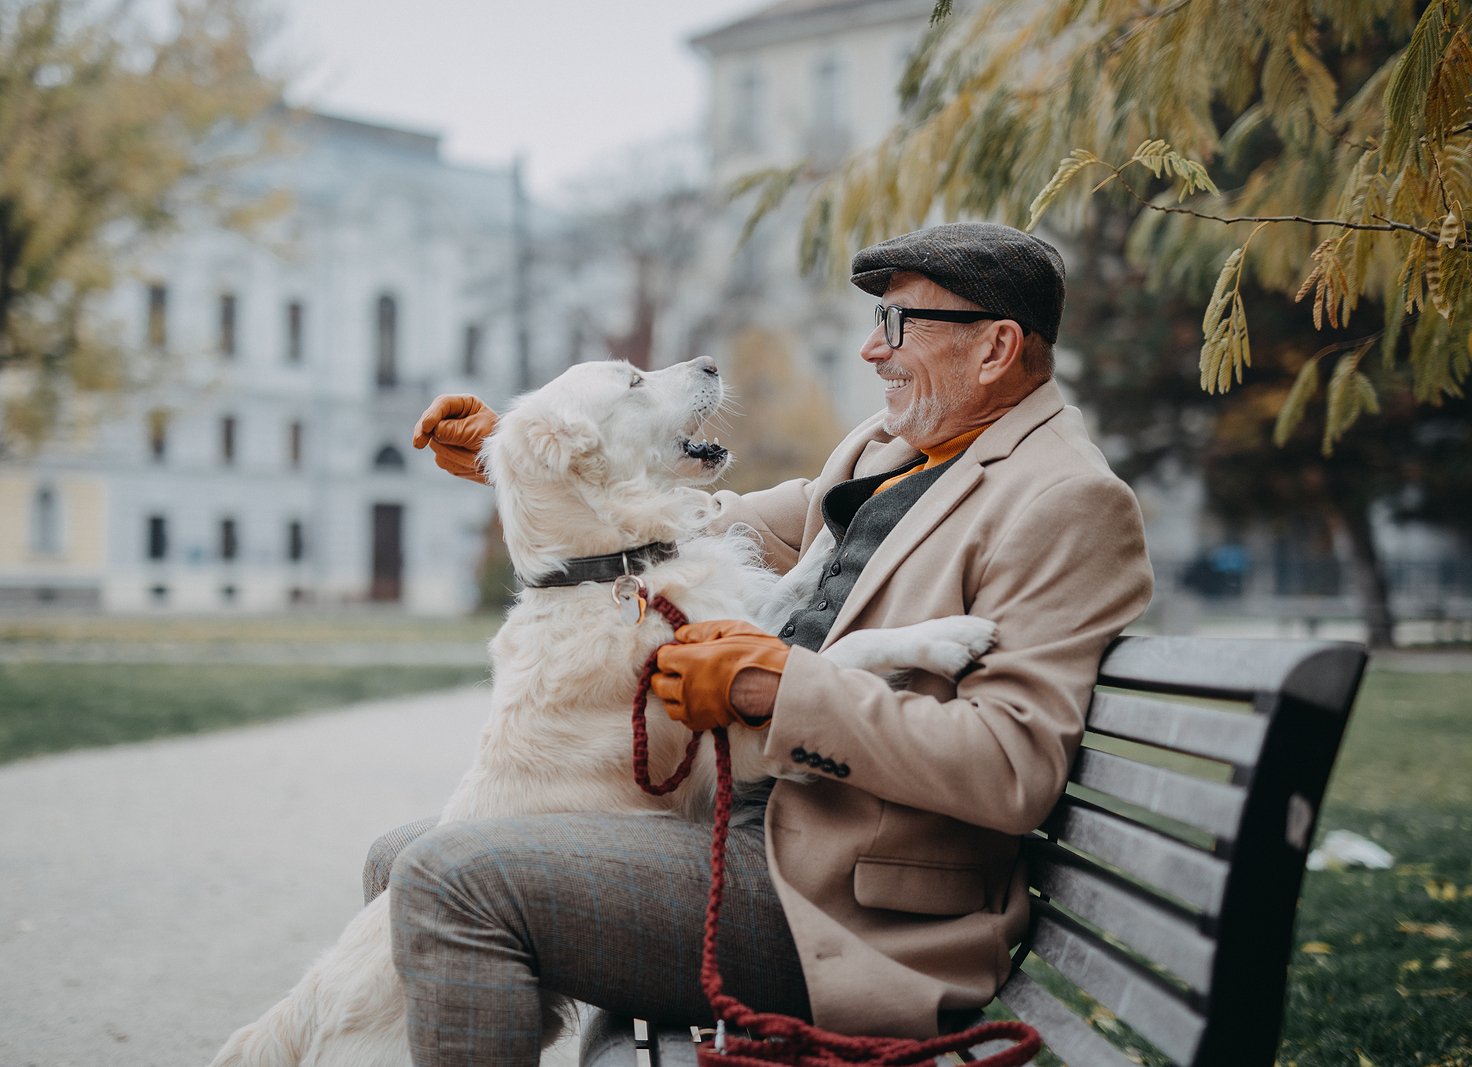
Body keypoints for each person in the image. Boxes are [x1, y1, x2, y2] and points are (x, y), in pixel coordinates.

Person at [386, 221, 1153, 1064]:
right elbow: (715, 523)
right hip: (750, 830)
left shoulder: (1066, 499)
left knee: (447, 878)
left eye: (897, 325)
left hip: (836, 904)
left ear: (996, 347)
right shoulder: (890, 448)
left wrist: (776, 688)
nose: (869, 349)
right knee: (405, 858)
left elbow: (1012, 766)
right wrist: (540, 456)